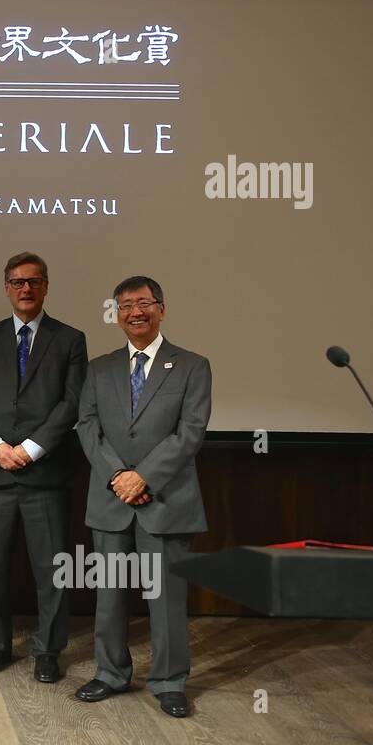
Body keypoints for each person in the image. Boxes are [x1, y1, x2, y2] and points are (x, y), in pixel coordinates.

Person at [74, 276, 211, 719]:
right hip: (111, 497)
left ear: (162, 309)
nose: (136, 312)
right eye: (127, 305)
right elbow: (87, 427)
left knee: (166, 599)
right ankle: (111, 673)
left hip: (166, 499)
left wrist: (143, 477)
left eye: (145, 304)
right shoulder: (99, 368)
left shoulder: (192, 365)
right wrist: (118, 475)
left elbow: (189, 433)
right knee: (110, 595)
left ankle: (169, 681)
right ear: (116, 314)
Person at [0, 252, 87, 681]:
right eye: (17, 282)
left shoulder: (70, 339)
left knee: (51, 569)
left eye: (34, 281)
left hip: (45, 475)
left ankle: (48, 651)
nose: (26, 289)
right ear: (6, 287)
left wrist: (32, 448)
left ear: (46, 286)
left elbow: (72, 402)